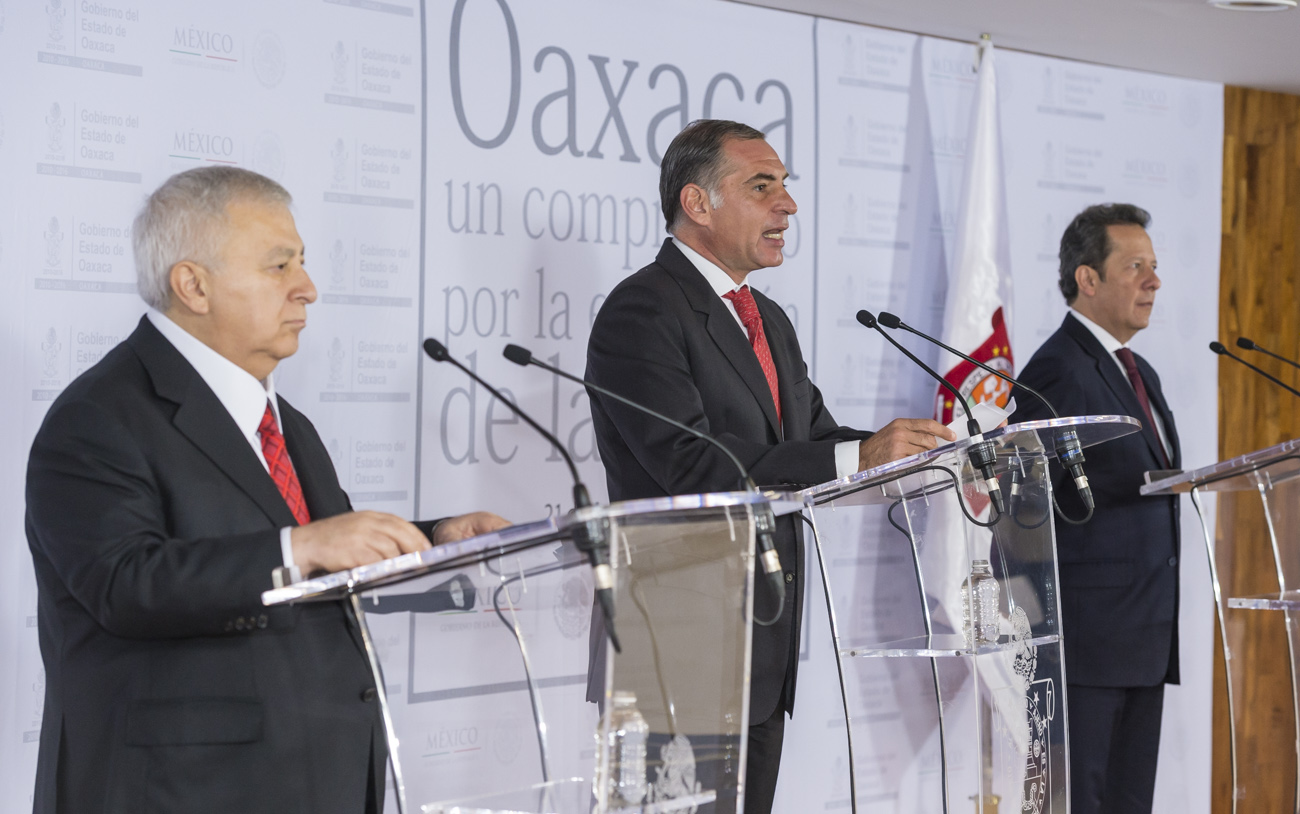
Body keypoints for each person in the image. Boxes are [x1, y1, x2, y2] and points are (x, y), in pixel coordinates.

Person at [25, 166, 509, 814]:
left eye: (302, 263)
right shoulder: (99, 416)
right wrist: (299, 547)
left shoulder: (287, 425)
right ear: (193, 285)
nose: (307, 288)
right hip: (180, 793)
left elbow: (323, 559)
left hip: (317, 781)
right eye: (280, 266)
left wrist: (435, 537)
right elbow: (123, 583)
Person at [584, 119, 955, 814]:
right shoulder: (644, 309)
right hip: (675, 651)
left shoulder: (767, 317)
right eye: (762, 187)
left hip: (763, 643)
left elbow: (814, 438)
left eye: (785, 185)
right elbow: (690, 464)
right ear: (697, 203)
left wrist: (922, 452)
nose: (788, 205)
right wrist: (858, 455)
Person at [1012, 203, 1180, 814]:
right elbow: (1024, 503)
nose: (1153, 281)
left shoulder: (1140, 371)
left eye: (1153, 266)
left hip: (1143, 636)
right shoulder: (1058, 369)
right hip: (1085, 646)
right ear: (1088, 278)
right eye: (1135, 267)